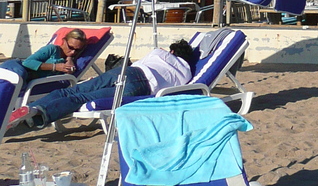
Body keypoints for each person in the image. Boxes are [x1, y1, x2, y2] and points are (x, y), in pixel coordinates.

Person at [7, 40, 196, 133]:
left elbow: (139, 64)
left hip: (127, 72)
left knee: (71, 90)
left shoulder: (159, 53)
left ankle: (31, 107)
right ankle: (41, 112)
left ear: (172, 50)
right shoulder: (187, 73)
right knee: (80, 99)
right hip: (142, 88)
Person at [0, 28, 88, 83]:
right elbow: (27, 62)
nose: (73, 52)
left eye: (77, 50)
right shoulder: (52, 49)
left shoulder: (72, 59)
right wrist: (55, 67)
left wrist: (69, 58)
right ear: (64, 41)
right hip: (18, 68)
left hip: (28, 80)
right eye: (71, 47)